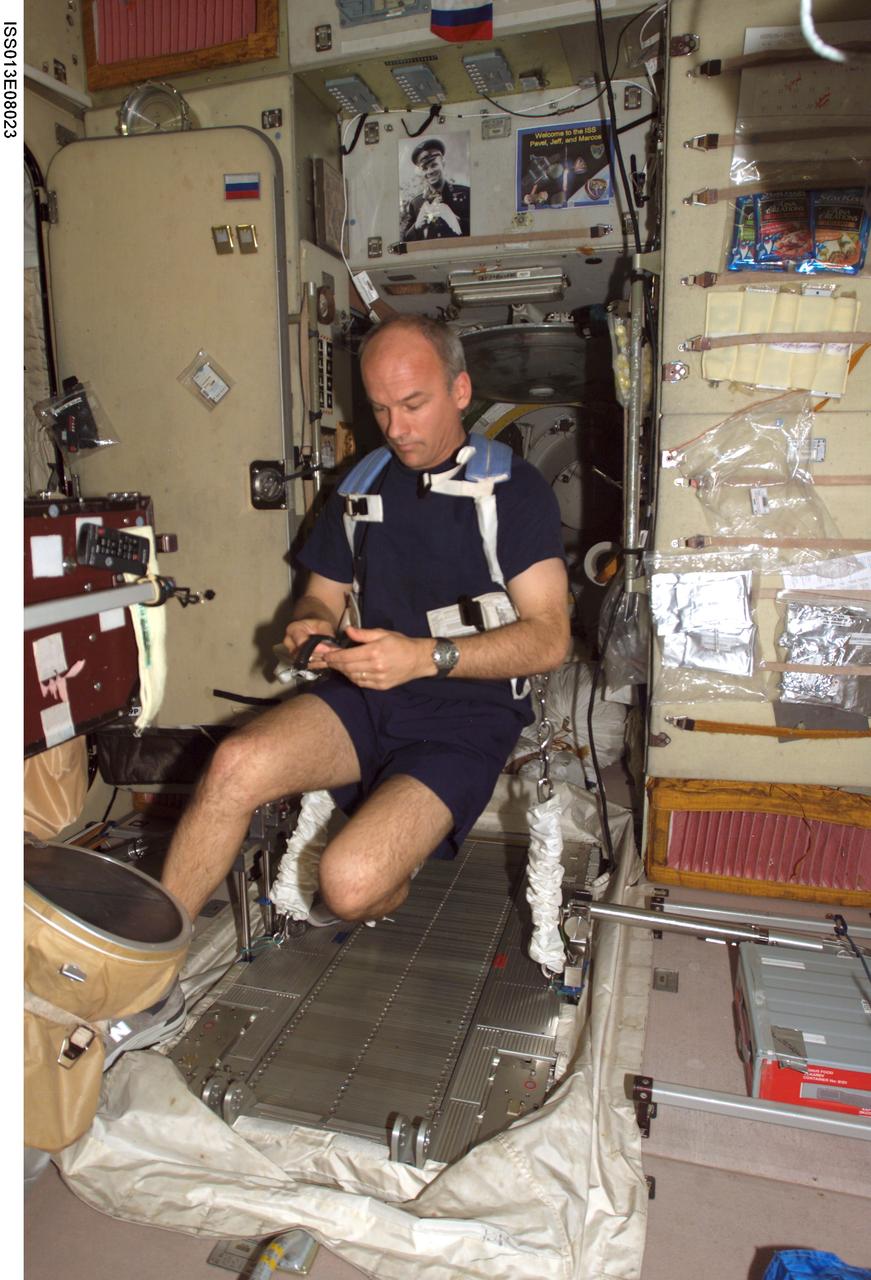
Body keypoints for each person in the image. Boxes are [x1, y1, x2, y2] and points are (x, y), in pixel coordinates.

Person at [161, 314, 569, 930]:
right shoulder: (360, 486)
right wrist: (309, 630)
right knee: (233, 764)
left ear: (460, 391)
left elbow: (550, 638)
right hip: (364, 696)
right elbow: (319, 599)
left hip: (466, 715)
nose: (397, 430)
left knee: (348, 886)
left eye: (413, 404)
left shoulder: (514, 491)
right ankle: (149, 969)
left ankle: (383, 874)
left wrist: (425, 656)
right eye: (380, 409)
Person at [399, 138, 471, 241]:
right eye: (424, 168)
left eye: (434, 165)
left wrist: (457, 220)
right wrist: (416, 226)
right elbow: (405, 242)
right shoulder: (415, 204)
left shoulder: (466, 193)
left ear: (443, 163)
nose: (430, 171)